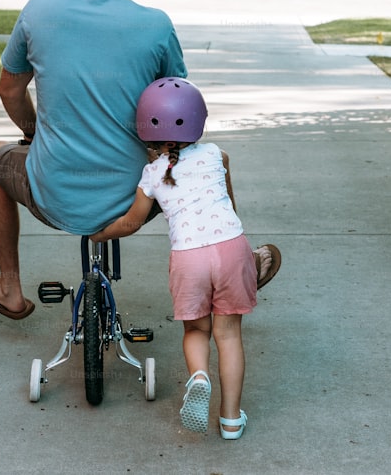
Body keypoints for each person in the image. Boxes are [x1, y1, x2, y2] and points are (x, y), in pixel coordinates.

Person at [0, 0, 188, 320]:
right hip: (136, 197)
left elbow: (9, 91)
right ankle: (232, 267)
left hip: (55, 196)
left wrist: (33, 134)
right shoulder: (155, 23)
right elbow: (177, 109)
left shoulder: (39, 11)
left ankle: (10, 288)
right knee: (215, 162)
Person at [91, 77, 282, 440]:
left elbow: (131, 222)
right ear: (198, 119)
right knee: (229, 336)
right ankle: (230, 420)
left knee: (196, 330)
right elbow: (231, 207)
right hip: (232, 248)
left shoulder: (151, 175)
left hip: (188, 259)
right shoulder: (216, 155)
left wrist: (99, 234)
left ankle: (198, 376)